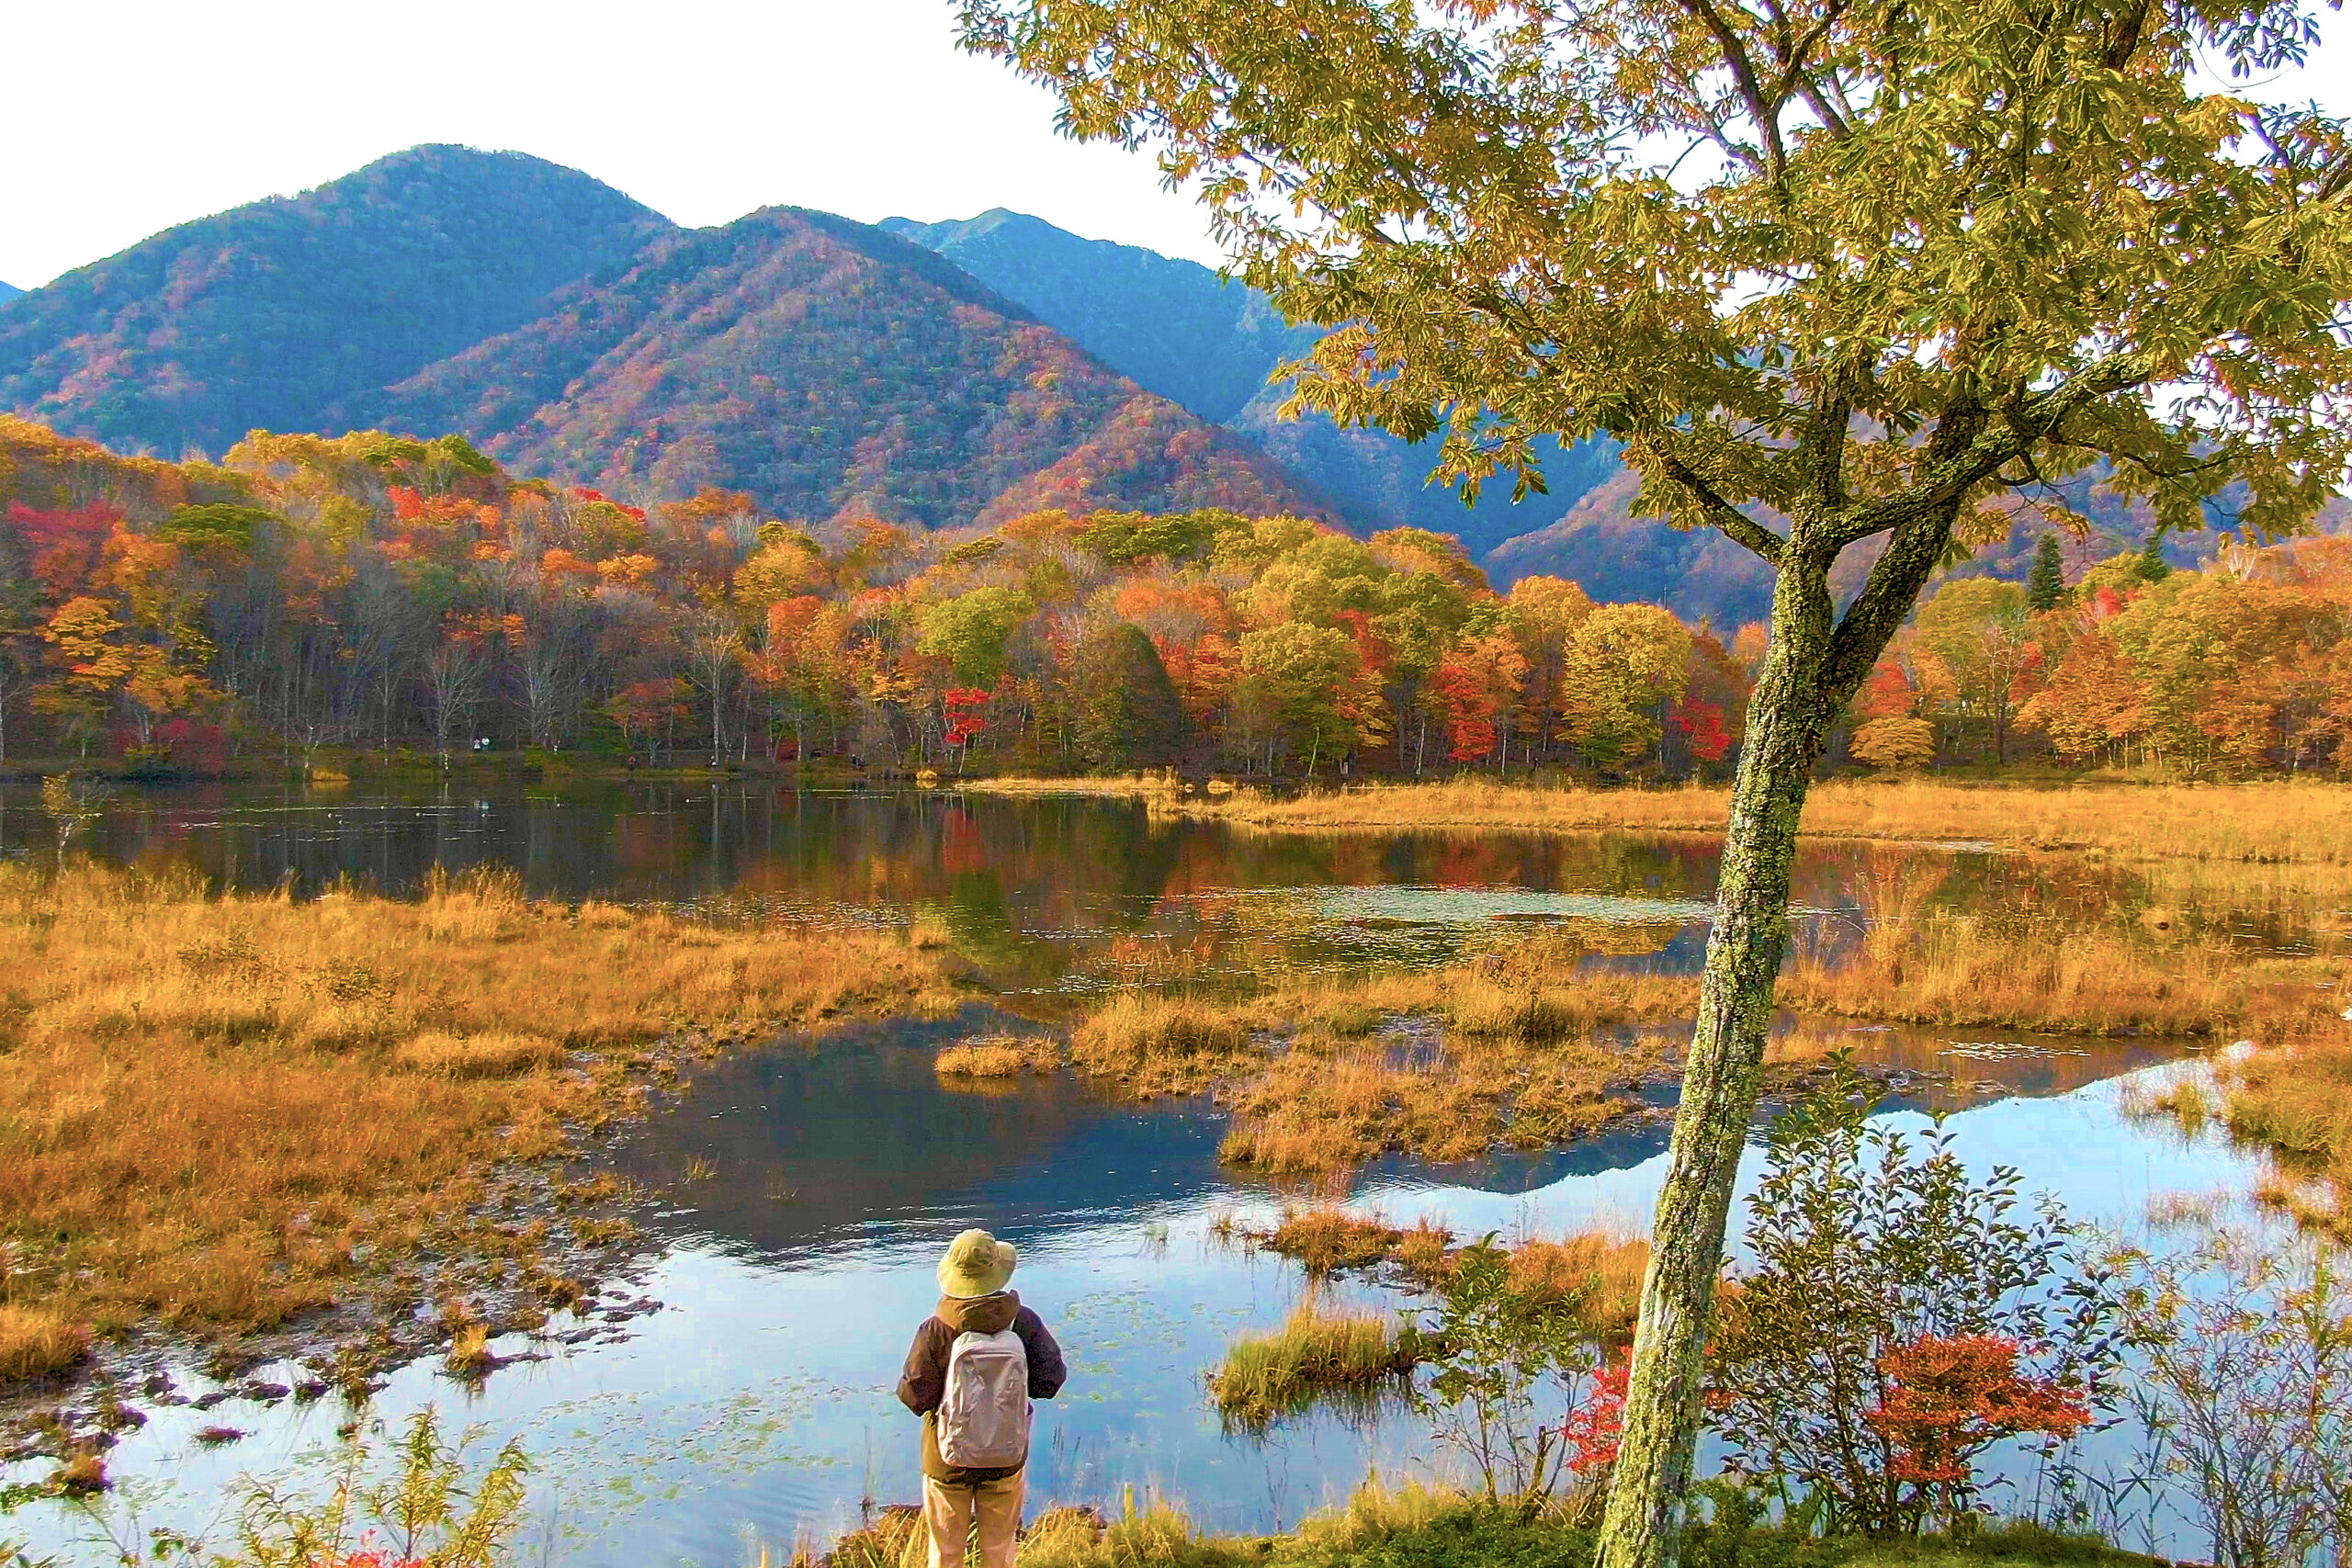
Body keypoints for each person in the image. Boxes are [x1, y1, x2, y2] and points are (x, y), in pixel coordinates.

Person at [897, 1228, 1067, 1568]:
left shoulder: (935, 1329)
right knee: (1000, 1554)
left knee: (945, 1556)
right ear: (997, 1271)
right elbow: (1050, 1382)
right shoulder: (1024, 1322)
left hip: (947, 1459)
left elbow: (914, 1396)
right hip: (1006, 1455)